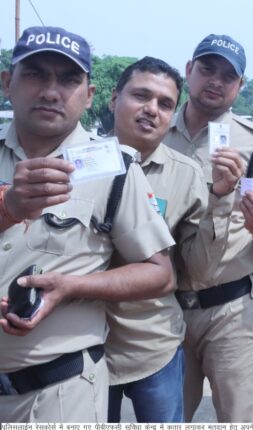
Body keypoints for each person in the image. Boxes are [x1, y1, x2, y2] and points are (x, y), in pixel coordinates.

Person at [0, 27, 174, 422]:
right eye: (35, 74)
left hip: (60, 395)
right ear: (7, 83)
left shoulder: (113, 167)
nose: (51, 92)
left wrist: (71, 287)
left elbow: (160, 273)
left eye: (68, 80)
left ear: (90, 95)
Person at [163, 34, 253, 422]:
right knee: (167, 417)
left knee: (239, 418)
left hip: (231, 310)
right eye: (207, 69)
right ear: (189, 70)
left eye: (228, 76)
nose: (215, 81)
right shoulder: (156, 134)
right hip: (163, 307)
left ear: (240, 85)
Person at [106, 56, 237, 422]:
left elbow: (198, 269)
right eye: (141, 96)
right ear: (114, 99)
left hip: (154, 343)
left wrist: (221, 199)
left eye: (165, 104)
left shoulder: (187, 175)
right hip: (88, 342)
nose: (152, 109)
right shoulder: (79, 163)